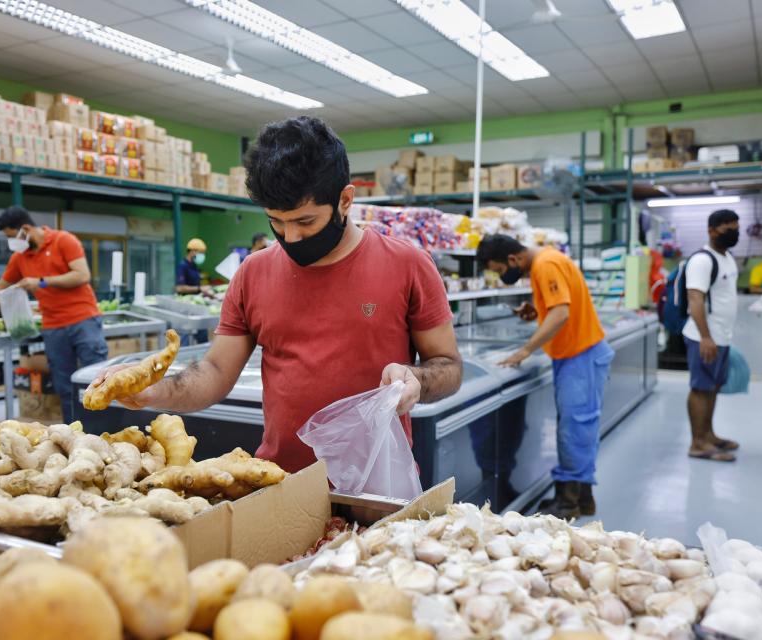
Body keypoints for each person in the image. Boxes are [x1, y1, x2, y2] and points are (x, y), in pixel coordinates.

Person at [94, 116, 463, 475]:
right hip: (279, 482)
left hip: (377, 484)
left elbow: (448, 366)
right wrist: (154, 391)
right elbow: (216, 371)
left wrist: (416, 379)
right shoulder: (253, 273)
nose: (291, 237)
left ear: (345, 200)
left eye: (305, 221)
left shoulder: (407, 265)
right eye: (276, 221)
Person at [476, 234, 614, 520]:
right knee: (579, 427)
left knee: (574, 429)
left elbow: (561, 313)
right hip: (575, 355)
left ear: (513, 259)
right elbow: (561, 305)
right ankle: (583, 498)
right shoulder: (548, 258)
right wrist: (537, 311)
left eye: (501, 271)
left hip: (581, 355)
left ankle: (568, 503)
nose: (504, 277)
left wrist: (525, 349)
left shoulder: (545, 264)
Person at [0, 206, 108, 423]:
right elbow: (0, 285)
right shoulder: (20, 257)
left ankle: (104, 427)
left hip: (83, 320)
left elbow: (82, 275)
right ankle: (74, 432)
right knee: (64, 386)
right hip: (53, 327)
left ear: (25, 229)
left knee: (98, 379)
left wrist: (41, 282)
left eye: (11, 236)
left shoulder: (64, 240)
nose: (11, 242)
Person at [683, 209, 741, 462]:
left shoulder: (727, 257)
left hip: (721, 336)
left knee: (713, 387)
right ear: (711, 230)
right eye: (728, 228)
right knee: (700, 388)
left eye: (736, 227)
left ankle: (709, 435)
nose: (734, 232)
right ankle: (697, 443)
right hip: (703, 337)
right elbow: (695, 299)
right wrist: (706, 337)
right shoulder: (702, 261)